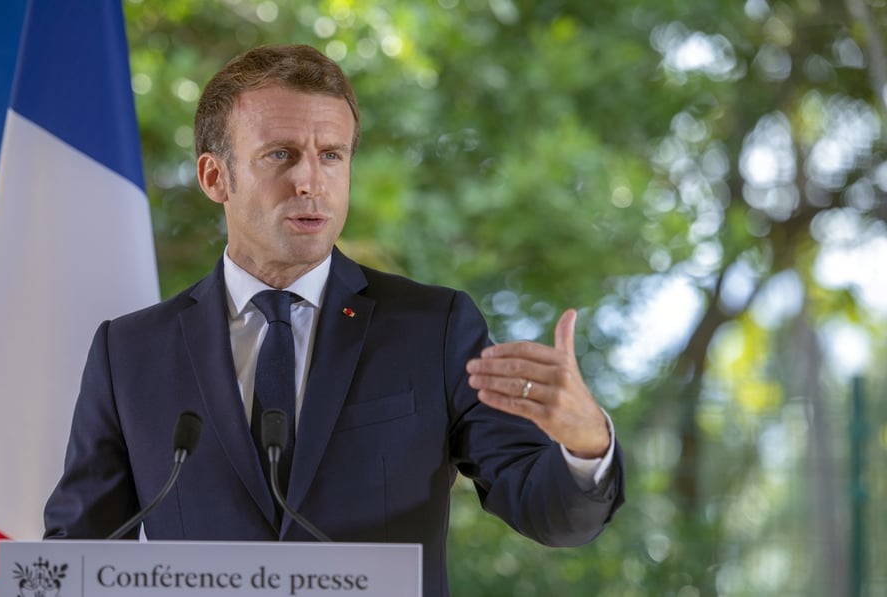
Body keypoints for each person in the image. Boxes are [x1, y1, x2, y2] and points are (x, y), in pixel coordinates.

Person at [43, 44, 624, 596]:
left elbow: (548, 511)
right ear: (215, 177)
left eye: (331, 155)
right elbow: (78, 552)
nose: (310, 181)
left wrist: (586, 445)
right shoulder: (130, 352)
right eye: (280, 154)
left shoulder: (434, 327)